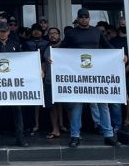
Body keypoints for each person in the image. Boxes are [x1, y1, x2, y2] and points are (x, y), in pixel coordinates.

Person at [60, 8, 120, 148]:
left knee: (103, 105)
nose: (84, 19)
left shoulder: (96, 32)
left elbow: (108, 46)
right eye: (81, 17)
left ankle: (108, 135)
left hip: (96, 74)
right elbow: (61, 50)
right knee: (77, 106)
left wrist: (119, 55)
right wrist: (53, 58)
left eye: (86, 17)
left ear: (89, 18)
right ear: (78, 18)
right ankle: (75, 136)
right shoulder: (71, 33)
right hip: (78, 75)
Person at [0, 21, 27, 147]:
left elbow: (24, 62)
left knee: (17, 110)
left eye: (5, 31)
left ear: (9, 32)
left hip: (12, 84)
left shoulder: (16, 45)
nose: (3, 34)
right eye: (0, 31)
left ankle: (20, 137)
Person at [43, 26, 64, 139]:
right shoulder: (46, 48)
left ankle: (73, 130)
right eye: (50, 33)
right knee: (51, 107)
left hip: (64, 81)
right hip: (49, 81)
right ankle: (55, 130)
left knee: (69, 106)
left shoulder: (65, 46)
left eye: (55, 33)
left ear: (59, 35)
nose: (52, 35)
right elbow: (42, 63)